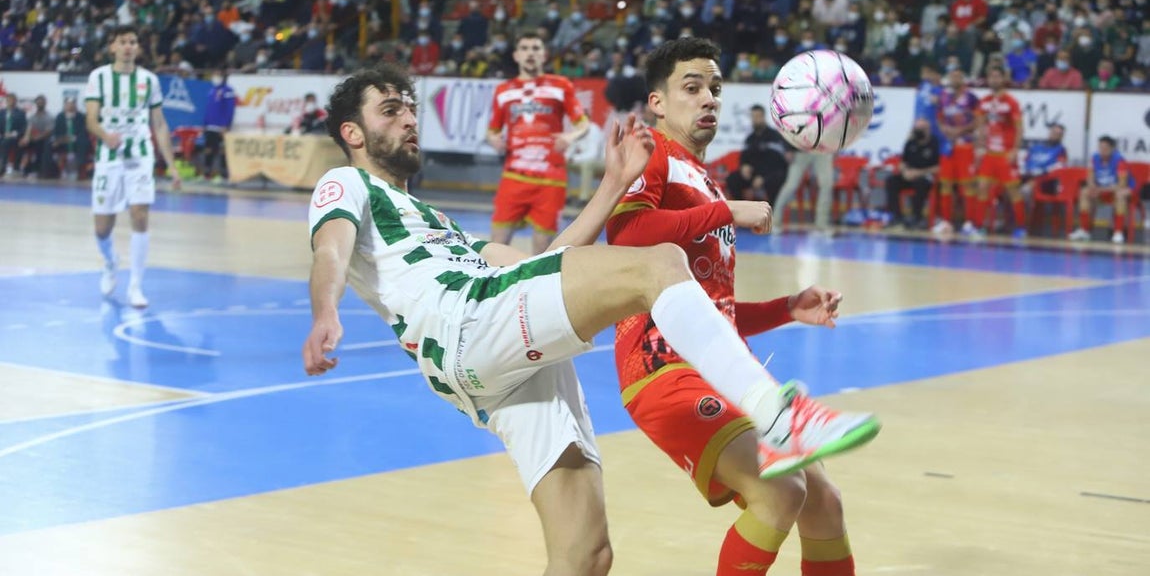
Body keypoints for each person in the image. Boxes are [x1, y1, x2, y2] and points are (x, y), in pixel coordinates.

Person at [303, 65, 881, 576]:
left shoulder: (434, 222)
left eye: (409, 105)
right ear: (352, 134)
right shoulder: (346, 182)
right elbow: (330, 249)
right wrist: (325, 311)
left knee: (586, 556)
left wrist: (609, 185)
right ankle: (777, 412)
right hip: (467, 322)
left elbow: (538, 267)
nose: (408, 117)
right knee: (658, 266)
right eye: (389, 109)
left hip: (492, 364)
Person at [605, 38, 878, 576]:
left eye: (715, 88)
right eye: (692, 87)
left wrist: (786, 308)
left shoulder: (704, 178)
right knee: (780, 492)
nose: (708, 97)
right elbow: (628, 233)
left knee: (825, 502)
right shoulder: (653, 152)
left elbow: (714, 312)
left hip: (720, 365)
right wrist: (727, 209)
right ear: (657, 102)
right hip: (663, 366)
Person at [85, 25, 181, 308]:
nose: (128, 46)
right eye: (123, 41)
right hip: (108, 158)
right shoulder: (99, 78)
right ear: (112, 47)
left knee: (139, 215)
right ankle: (111, 260)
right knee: (103, 226)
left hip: (140, 157)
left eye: (133, 42)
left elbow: (160, 124)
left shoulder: (149, 80)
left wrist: (172, 166)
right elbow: (91, 120)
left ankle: (136, 287)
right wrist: (105, 135)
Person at [486, 33, 590, 255]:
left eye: (535, 48)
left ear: (544, 55)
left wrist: (569, 138)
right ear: (516, 55)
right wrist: (493, 139)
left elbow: (583, 124)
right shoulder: (503, 91)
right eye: (524, 48)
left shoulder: (561, 86)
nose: (530, 53)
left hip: (550, 180)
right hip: (513, 178)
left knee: (543, 251)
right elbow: (492, 130)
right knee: (497, 246)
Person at [969, 65, 1027, 239]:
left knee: (1013, 191)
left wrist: (1015, 150)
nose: (994, 80)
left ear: (1003, 79)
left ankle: (1021, 227)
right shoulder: (984, 101)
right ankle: (980, 226)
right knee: (982, 188)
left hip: (1005, 153)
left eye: (997, 77)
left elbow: (1019, 128)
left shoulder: (1011, 102)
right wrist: (979, 147)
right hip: (989, 153)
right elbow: (979, 125)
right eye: (991, 77)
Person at [931, 69, 979, 236]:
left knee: (967, 185)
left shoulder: (971, 98)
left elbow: (977, 121)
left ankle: (969, 223)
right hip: (947, 147)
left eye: (958, 76)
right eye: (952, 76)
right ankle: (946, 222)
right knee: (945, 184)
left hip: (964, 145)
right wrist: (944, 129)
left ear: (963, 79)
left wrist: (960, 130)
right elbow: (938, 118)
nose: (954, 79)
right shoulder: (943, 97)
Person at [1070, 135, 1133, 244]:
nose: (1102, 151)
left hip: (1116, 190)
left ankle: (1118, 233)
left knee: (1120, 194)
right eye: (1100, 148)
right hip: (1101, 190)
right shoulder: (1095, 158)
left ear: (1112, 149)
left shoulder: (1119, 160)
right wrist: (1092, 186)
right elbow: (1090, 176)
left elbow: (1121, 184)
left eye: (1105, 148)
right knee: (1084, 192)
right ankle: (1085, 231)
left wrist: (1100, 190)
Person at [728, 103, 790, 204]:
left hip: (770, 174)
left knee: (774, 181)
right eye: (753, 117)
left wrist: (763, 177)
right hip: (754, 174)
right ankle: (743, 209)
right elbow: (744, 156)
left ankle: (771, 213)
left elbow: (778, 161)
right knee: (732, 179)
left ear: (763, 117)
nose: (755, 120)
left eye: (757, 116)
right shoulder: (750, 138)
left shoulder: (774, 136)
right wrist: (744, 167)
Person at [886, 117, 941, 229]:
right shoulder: (910, 143)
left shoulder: (934, 143)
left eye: (921, 128)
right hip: (909, 175)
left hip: (925, 176)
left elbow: (938, 168)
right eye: (916, 128)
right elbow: (902, 162)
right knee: (891, 181)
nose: (918, 131)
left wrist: (918, 173)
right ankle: (897, 217)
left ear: (928, 129)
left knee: (920, 184)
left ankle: (917, 218)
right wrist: (905, 171)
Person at [201, 69, 236, 183]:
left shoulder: (228, 91)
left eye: (217, 75)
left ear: (222, 77)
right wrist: (205, 124)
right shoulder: (211, 90)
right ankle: (207, 173)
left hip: (221, 126)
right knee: (208, 149)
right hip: (210, 126)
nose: (215, 77)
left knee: (222, 150)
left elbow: (230, 109)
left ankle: (223, 175)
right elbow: (208, 108)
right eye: (214, 74)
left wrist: (226, 124)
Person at [52, 96, 90, 180]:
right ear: (65, 105)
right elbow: (56, 132)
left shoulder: (80, 116)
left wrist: (73, 138)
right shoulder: (60, 116)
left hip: (76, 141)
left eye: (72, 104)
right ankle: (49, 172)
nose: (70, 106)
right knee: (50, 143)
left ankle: (78, 171)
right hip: (63, 141)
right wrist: (59, 139)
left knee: (83, 142)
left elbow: (83, 132)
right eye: (68, 104)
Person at [0, 93, 28, 176]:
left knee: (6, 142)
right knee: (4, 141)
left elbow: (24, 128)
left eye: (12, 100)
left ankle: (5, 166)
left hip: (16, 137)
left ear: (15, 101)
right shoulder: (1, 112)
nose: (10, 102)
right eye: (8, 100)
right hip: (2, 136)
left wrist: (13, 134)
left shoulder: (20, 113)